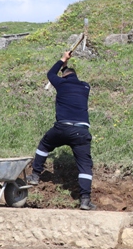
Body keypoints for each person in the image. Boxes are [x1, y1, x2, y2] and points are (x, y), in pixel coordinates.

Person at [26, 51, 96, 210]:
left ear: (63, 77)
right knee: (85, 166)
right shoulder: (85, 86)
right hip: (81, 132)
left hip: (62, 128)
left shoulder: (61, 84)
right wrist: (66, 66)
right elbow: (66, 75)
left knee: (44, 145)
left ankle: (35, 175)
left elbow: (50, 74)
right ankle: (85, 200)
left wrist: (62, 59)